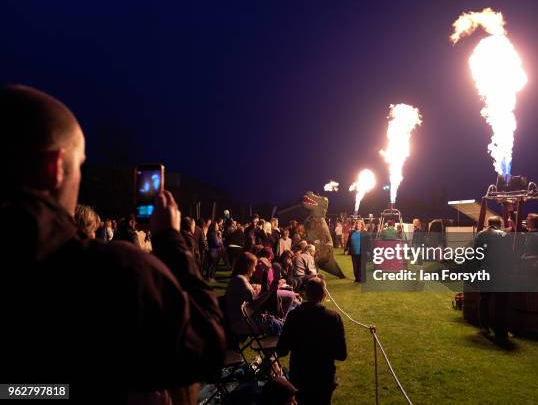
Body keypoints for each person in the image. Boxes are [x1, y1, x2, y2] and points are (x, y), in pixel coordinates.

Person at [0, 85, 225, 402]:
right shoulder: (110, 272)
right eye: (79, 165)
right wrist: (170, 240)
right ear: (55, 168)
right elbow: (207, 346)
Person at [277, 277, 347, 405]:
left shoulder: (293, 316)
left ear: (306, 293)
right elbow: (341, 354)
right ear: (324, 294)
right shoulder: (333, 318)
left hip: (299, 376)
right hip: (323, 378)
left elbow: (282, 350)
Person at [224, 252, 282, 337]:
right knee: (279, 326)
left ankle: (272, 349)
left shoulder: (238, 279)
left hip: (241, 320)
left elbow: (253, 302)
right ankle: (274, 349)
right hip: (240, 323)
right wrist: (270, 291)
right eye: (254, 266)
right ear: (248, 266)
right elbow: (255, 304)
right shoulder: (240, 280)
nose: (254, 270)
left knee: (278, 323)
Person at [474, 216, 512, 339]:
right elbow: (508, 254)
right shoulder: (503, 235)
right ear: (499, 224)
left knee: (484, 299)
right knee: (501, 302)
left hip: (485, 269)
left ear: (488, 223)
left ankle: (484, 327)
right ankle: (501, 330)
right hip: (499, 271)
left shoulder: (480, 234)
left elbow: (477, 253)